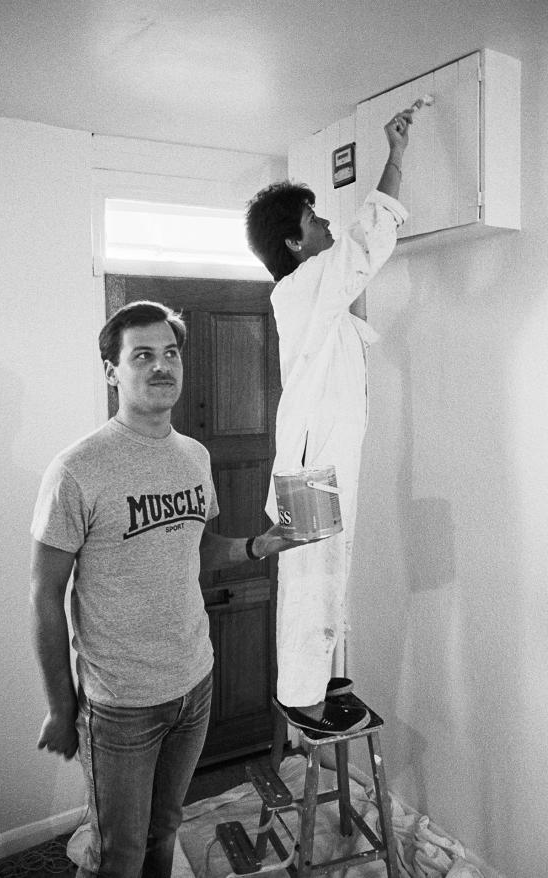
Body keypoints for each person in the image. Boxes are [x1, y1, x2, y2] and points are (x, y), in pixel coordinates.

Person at [30, 300, 368, 878]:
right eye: (142, 355)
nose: (162, 366)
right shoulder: (77, 469)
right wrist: (62, 707)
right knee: (117, 853)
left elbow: (198, 546)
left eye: (170, 353)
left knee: (166, 830)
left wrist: (260, 545)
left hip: (194, 685)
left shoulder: (194, 456)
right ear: (112, 371)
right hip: (121, 703)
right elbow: (45, 595)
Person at [245, 109, 413, 719]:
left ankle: (317, 683)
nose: (326, 225)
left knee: (326, 572)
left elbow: (355, 283)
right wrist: (395, 156)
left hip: (321, 460)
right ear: (296, 244)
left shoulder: (317, 293)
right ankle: (302, 701)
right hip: (313, 467)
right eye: (314, 220)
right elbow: (367, 240)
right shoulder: (303, 285)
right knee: (310, 583)